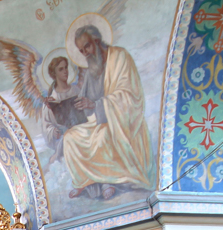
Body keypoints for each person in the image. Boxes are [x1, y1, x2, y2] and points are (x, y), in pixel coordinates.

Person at [62, 25, 154, 200]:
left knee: (103, 136)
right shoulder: (91, 70)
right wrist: (78, 108)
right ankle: (84, 181)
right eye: (81, 51)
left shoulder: (120, 57)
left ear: (97, 41)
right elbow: (85, 101)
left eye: (87, 46)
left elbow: (130, 96)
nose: (86, 53)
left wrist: (97, 105)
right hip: (101, 120)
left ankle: (108, 181)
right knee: (70, 138)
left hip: (123, 122)